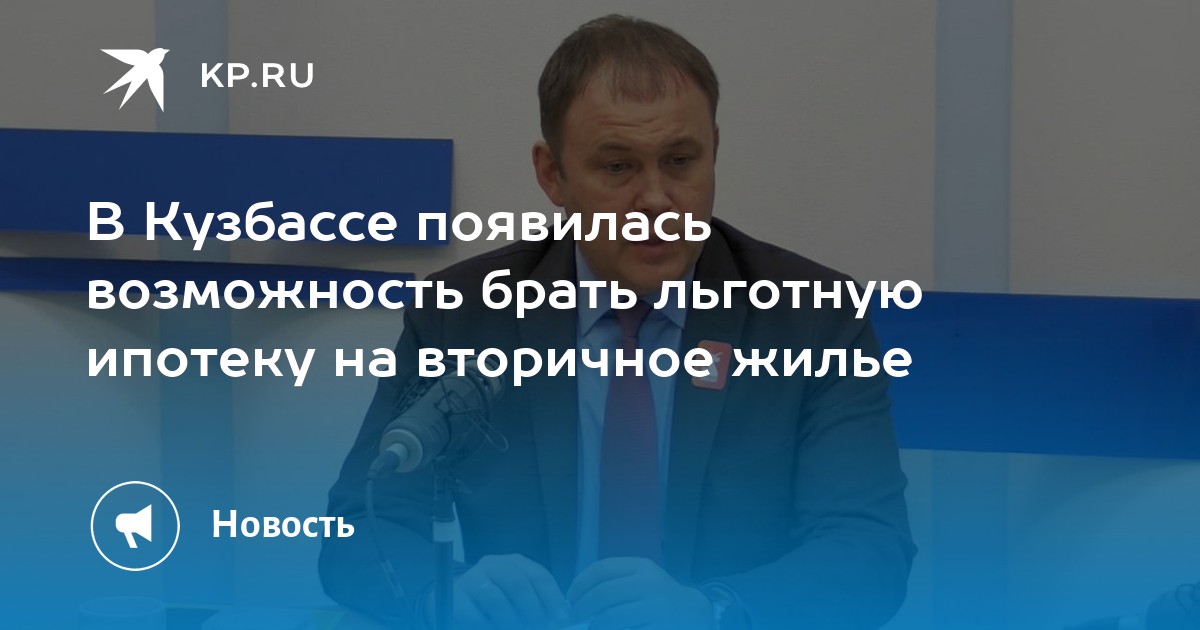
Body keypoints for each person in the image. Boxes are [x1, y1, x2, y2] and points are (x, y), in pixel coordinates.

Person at [321, 14, 915, 630]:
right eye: (617, 167)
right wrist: (444, 596)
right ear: (552, 174)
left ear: (714, 150)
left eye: (680, 161)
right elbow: (363, 524)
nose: (655, 199)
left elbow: (869, 549)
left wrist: (714, 610)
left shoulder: (812, 317)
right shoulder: (467, 313)